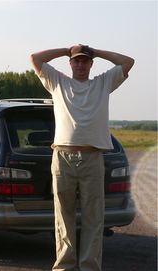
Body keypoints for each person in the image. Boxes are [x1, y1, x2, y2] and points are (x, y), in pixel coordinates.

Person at [30, 45, 134, 271]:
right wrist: (67, 50)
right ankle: (64, 266)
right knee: (63, 217)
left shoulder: (102, 83)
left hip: (92, 157)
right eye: (76, 61)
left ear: (90, 64)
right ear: (70, 63)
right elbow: (35, 58)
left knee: (94, 219)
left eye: (84, 61)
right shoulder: (58, 82)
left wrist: (96, 51)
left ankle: (89, 266)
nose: (80, 65)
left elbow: (128, 62)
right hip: (63, 158)